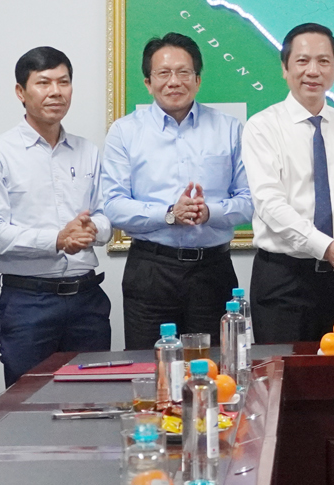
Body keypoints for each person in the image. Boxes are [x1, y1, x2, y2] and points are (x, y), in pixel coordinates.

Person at [102, 33, 252, 349]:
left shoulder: (229, 128)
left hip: (212, 270)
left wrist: (209, 212)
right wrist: (169, 213)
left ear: (197, 80)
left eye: (184, 72)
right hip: (151, 270)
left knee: (215, 366)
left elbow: (250, 200)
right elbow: (113, 205)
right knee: (150, 366)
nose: (174, 82)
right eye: (164, 73)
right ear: (148, 82)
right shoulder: (125, 132)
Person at [0, 47, 110, 385]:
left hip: (87, 299)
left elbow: (107, 214)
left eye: (63, 82)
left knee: (92, 397)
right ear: (21, 92)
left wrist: (91, 229)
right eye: (44, 83)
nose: (55, 92)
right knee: (28, 402)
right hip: (29, 303)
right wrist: (57, 240)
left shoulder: (88, 150)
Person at [243, 23, 334, 344]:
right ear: (285, 69)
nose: (313, 71)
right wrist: (326, 247)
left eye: (323, 61)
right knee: (281, 370)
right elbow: (269, 204)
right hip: (283, 278)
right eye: (302, 61)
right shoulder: (262, 127)